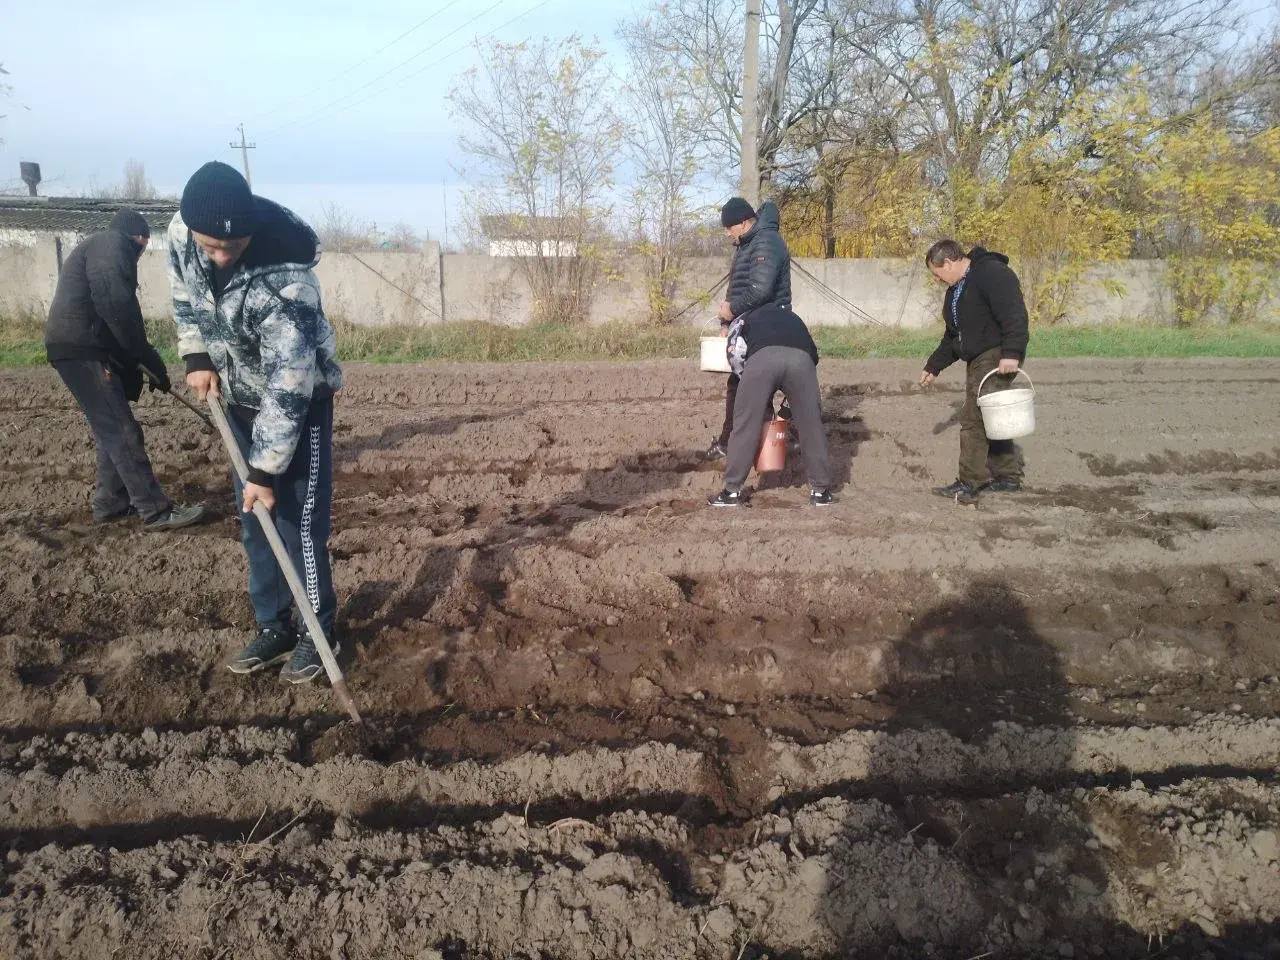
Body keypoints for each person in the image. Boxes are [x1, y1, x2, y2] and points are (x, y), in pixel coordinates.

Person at [167, 161, 344, 685]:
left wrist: (264, 473)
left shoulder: (289, 284)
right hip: (235, 400)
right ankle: (276, 626)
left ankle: (320, 630)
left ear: (250, 229)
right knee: (253, 521)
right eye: (210, 245)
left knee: (296, 524)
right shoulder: (181, 234)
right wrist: (196, 355)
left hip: (298, 403)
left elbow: (288, 388)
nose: (219, 255)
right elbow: (183, 293)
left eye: (232, 246)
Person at [44, 209, 207, 530]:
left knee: (113, 430)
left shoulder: (100, 247)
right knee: (122, 431)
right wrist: (144, 357)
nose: (142, 252)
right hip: (82, 350)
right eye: (144, 246)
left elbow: (110, 314)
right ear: (141, 238)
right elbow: (117, 307)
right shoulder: (112, 245)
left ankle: (111, 504)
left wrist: (134, 365)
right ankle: (156, 511)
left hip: (83, 348)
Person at [919, 240, 1029, 506]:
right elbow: (953, 336)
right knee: (994, 416)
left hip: (997, 353)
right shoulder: (956, 290)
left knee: (973, 417)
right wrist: (933, 366)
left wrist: (1011, 353)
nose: (937, 279)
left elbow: (1014, 314)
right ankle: (1008, 476)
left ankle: (970, 482)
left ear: (949, 262)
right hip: (978, 357)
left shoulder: (991, 273)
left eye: (937, 273)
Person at [708, 304, 833, 507]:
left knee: (745, 425)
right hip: (802, 361)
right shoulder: (794, 317)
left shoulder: (742, 319)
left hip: (762, 359)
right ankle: (821, 492)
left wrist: (751, 389)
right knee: (811, 425)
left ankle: (731, 492)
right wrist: (788, 406)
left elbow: (735, 355)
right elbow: (813, 356)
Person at [705, 196, 793, 461]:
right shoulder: (746, 245)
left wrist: (731, 311)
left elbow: (760, 291)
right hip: (748, 327)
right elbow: (738, 288)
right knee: (740, 385)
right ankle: (735, 444)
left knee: (752, 386)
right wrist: (726, 323)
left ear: (744, 223)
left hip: (767, 327)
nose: (726, 232)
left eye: (729, 226)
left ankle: (775, 446)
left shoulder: (767, 242)